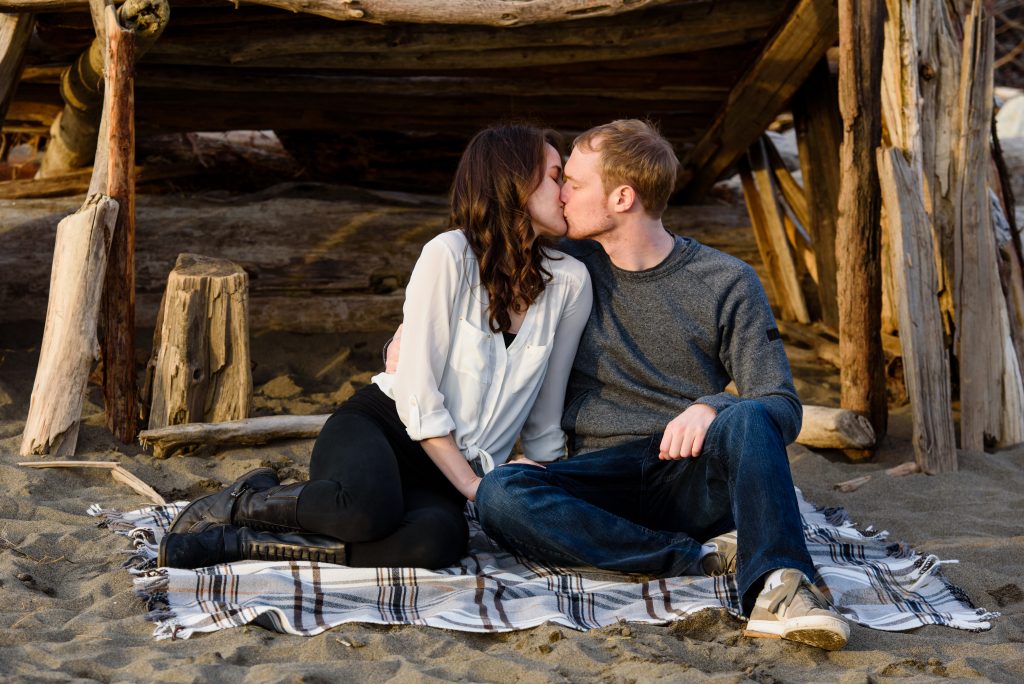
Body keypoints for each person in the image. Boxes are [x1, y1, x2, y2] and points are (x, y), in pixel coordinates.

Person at [468, 120, 850, 650]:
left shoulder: (727, 281)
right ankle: (695, 557)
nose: (560, 195)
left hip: (690, 478)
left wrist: (713, 406)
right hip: (598, 480)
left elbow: (781, 405)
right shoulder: (562, 268)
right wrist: (413, 332)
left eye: (573, 184)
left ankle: (780, 587)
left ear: (622, 197)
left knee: (747, 415)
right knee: (500, 493)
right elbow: (475, 283)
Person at [157, 124, 593, 571]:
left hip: (445, 477)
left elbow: (546, 412)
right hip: (384, 429)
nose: (565, 192)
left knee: (440, 542)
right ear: (514, 181)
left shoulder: (571, 283)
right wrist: (472, 486)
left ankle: (244, 543)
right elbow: (418, 392)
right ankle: (247, 501)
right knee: (364, 512)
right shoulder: (450, 256)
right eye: (556, 176)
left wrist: (544, 495)